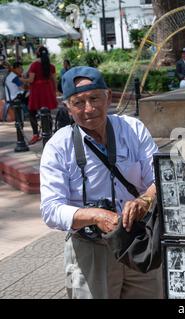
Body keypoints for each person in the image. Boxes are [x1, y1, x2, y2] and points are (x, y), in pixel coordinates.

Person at [40, 66, 162, 299]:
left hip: (138, 240)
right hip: (91, 248)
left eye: (95, 98)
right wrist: (97, 215)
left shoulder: (133, 129)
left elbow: (160, 178)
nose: (89, 109)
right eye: (78, 102)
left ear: (108, 96)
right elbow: (50, 209)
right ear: (67, 106)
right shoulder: (58, 146)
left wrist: (144, 200)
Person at [21, 46, 58, 144]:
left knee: (32, 112)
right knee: (47, 112)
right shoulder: (51, 66)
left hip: (37, 91)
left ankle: (35, 134)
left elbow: (31, 80)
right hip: (48, 90)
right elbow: (54, 80)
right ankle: (48, 133)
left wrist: (22, 79)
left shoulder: (34, 65)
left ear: (38, 54)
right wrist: (55, 91)